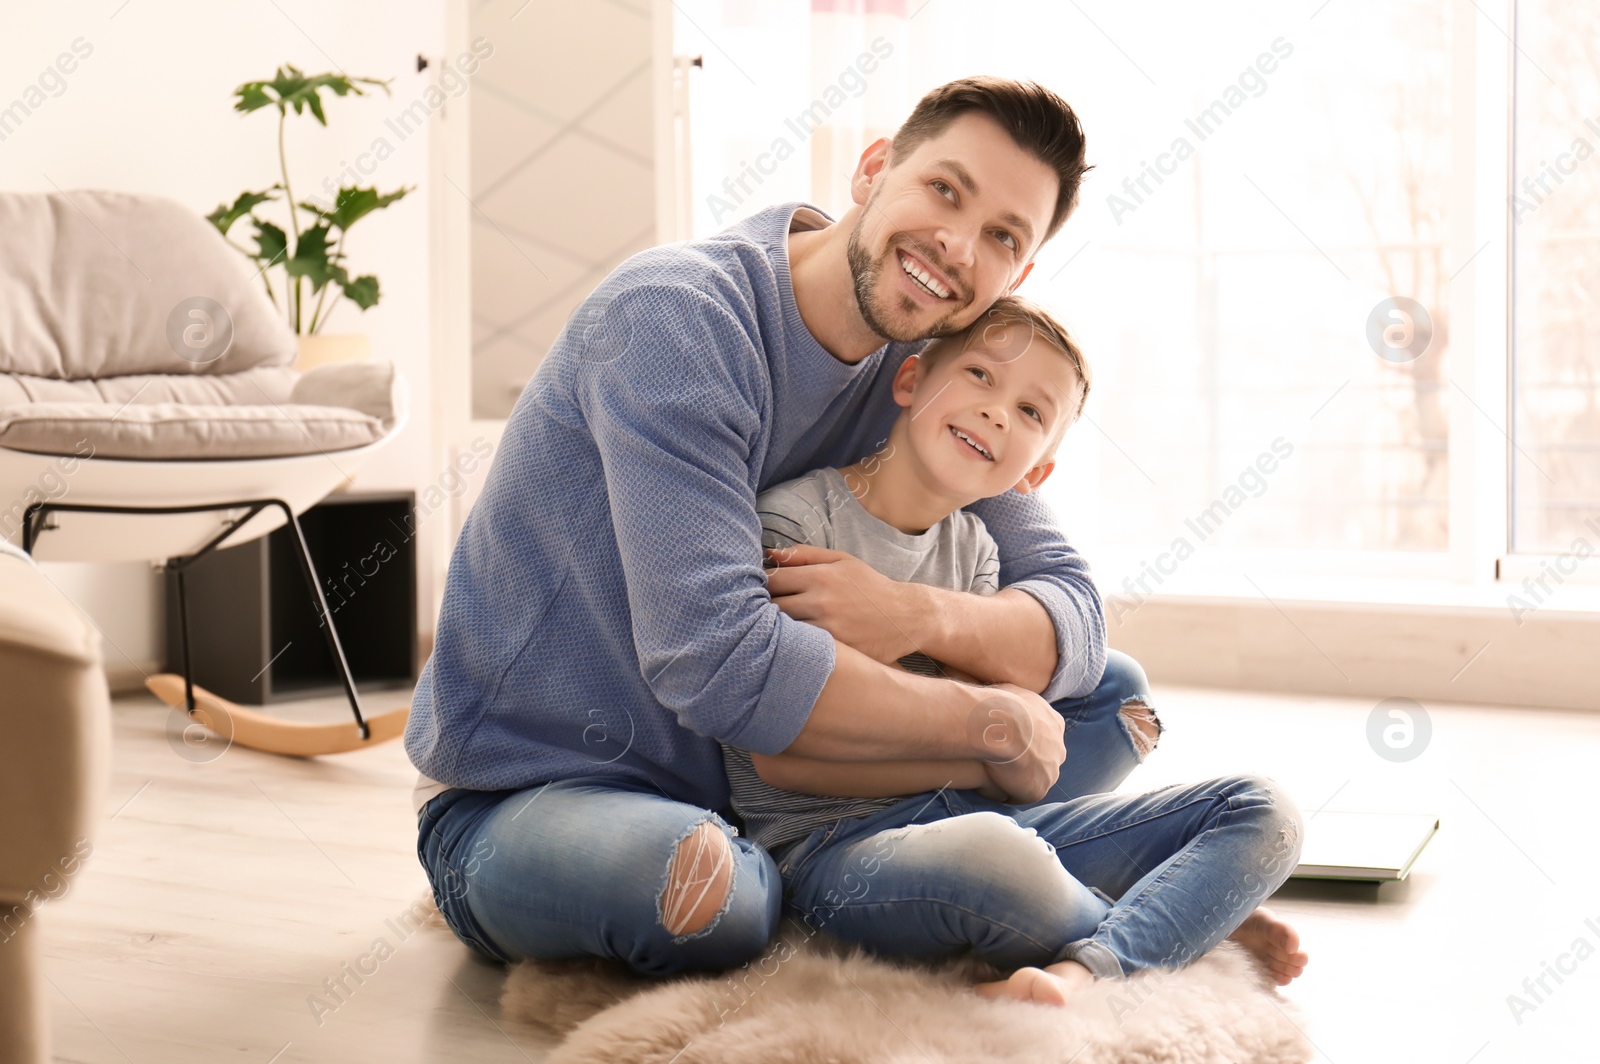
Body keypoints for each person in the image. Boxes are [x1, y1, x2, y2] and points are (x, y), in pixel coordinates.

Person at [407, 76, 1160, 978]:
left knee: (1114, 701)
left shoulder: (931, 369)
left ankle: (881, 867)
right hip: (546, 786)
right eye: (944, 190)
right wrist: (988, 720)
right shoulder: (678, 317)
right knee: (716, 895)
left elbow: (1073, 609)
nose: (956, 246)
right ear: (874, 169)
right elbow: (720, 665)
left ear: (1020, 272)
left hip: (775, 781)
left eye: (1003, 236)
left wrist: (916, 618)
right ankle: (881, 877)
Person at [724, 297, 1309, 1006]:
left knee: (1265, 810)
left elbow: (1013, 729)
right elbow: (780, 754)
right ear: (908, 383)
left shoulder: (977, 553)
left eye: (1032, 413)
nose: (999, 411)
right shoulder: (795, 521)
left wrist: (997, 756)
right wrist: (989, 756)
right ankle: (1177, 923)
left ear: (1035, 475)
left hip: (977, 815)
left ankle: (1088, 970)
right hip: (835, 852)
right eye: (979, 374)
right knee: (1005, 862)